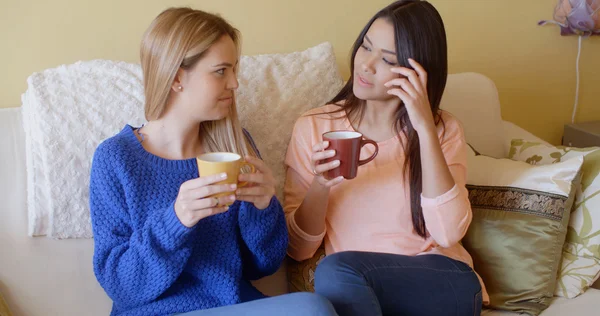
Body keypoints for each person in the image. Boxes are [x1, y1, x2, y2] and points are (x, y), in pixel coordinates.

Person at [90, 7, 335, 316]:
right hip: (155, 312)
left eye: (235, 70)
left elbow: (263, 266)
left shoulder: (234, 146)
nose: (234, 83)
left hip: (233, 306)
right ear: (177, 77)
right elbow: (123, 289)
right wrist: (176, 220)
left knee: (315, 307)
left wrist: (262, 209)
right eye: (221, 71)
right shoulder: (117, 158)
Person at [284, 1, 486, 315]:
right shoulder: (314, 126)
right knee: (336, 277)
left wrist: (423, 128)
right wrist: (321, 185)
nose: (367, 65)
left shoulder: (443, 130)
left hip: (443, 283)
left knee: (336, 273)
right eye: (366, 47)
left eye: (388, 59)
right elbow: (298, 250)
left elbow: (447, 233)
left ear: (418, 71)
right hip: (358, 287)